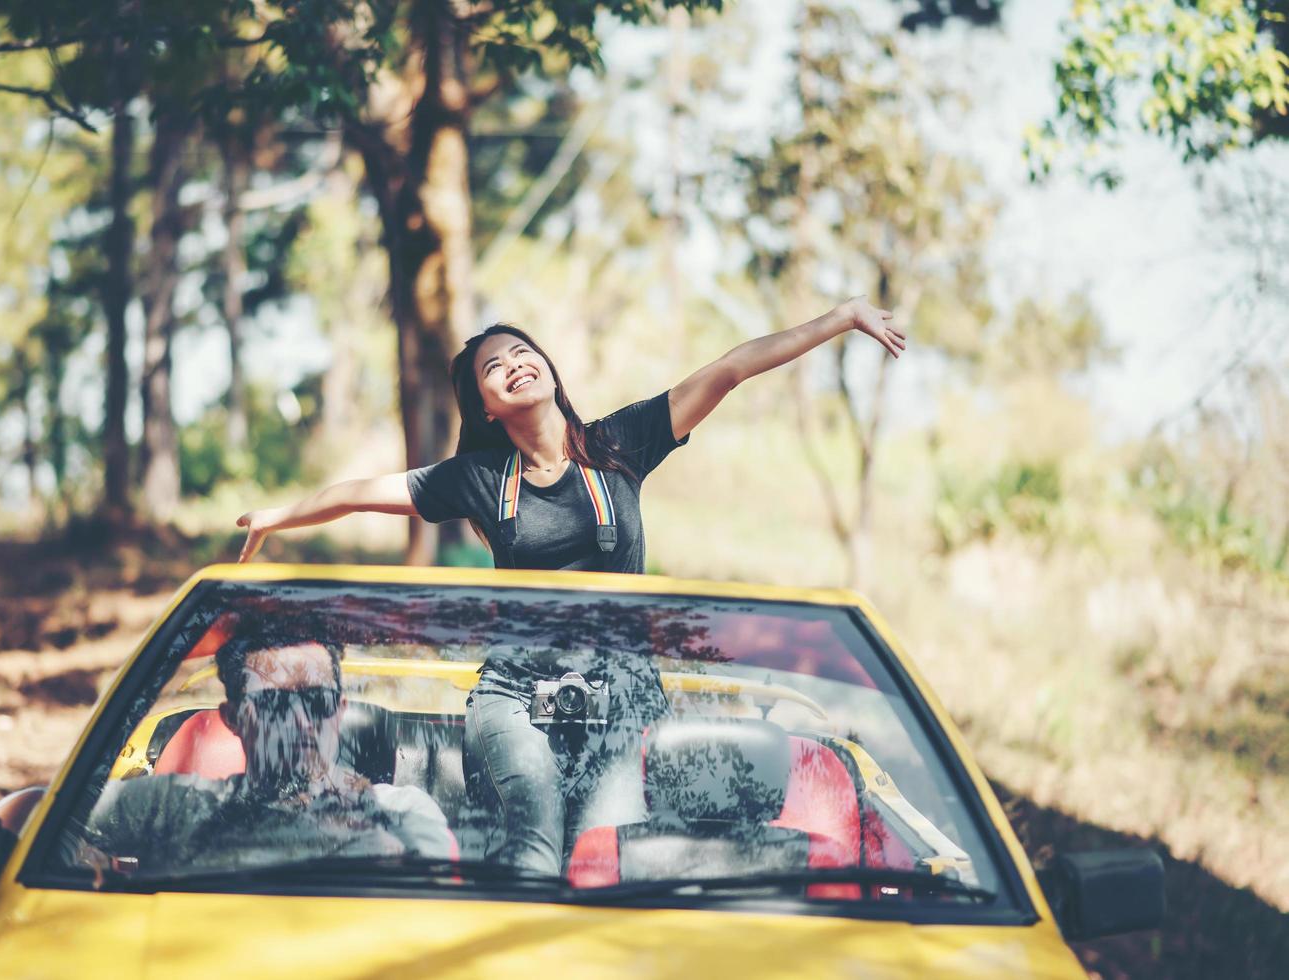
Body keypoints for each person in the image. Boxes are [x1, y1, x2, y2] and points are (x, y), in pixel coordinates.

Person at [234, 297, 904, 872]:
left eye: (523, 352)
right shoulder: (478, 478)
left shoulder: (621, 443)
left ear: (549, 369)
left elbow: (730, 369)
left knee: (597, 856)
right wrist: (274, 516)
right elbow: (356, 494)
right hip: (513, 693)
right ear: (486, 406)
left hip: (624, 690)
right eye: (494, 367)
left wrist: (840, 317)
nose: (514, 364)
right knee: (533, 842)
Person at [82, 633, 452, 877]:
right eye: (274, 704)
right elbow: (48, 816)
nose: (301, 721)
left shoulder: (400, 814)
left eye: (316, 701)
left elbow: (443, 909)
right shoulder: (171, 807)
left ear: (339, 710)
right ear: (233, 719)